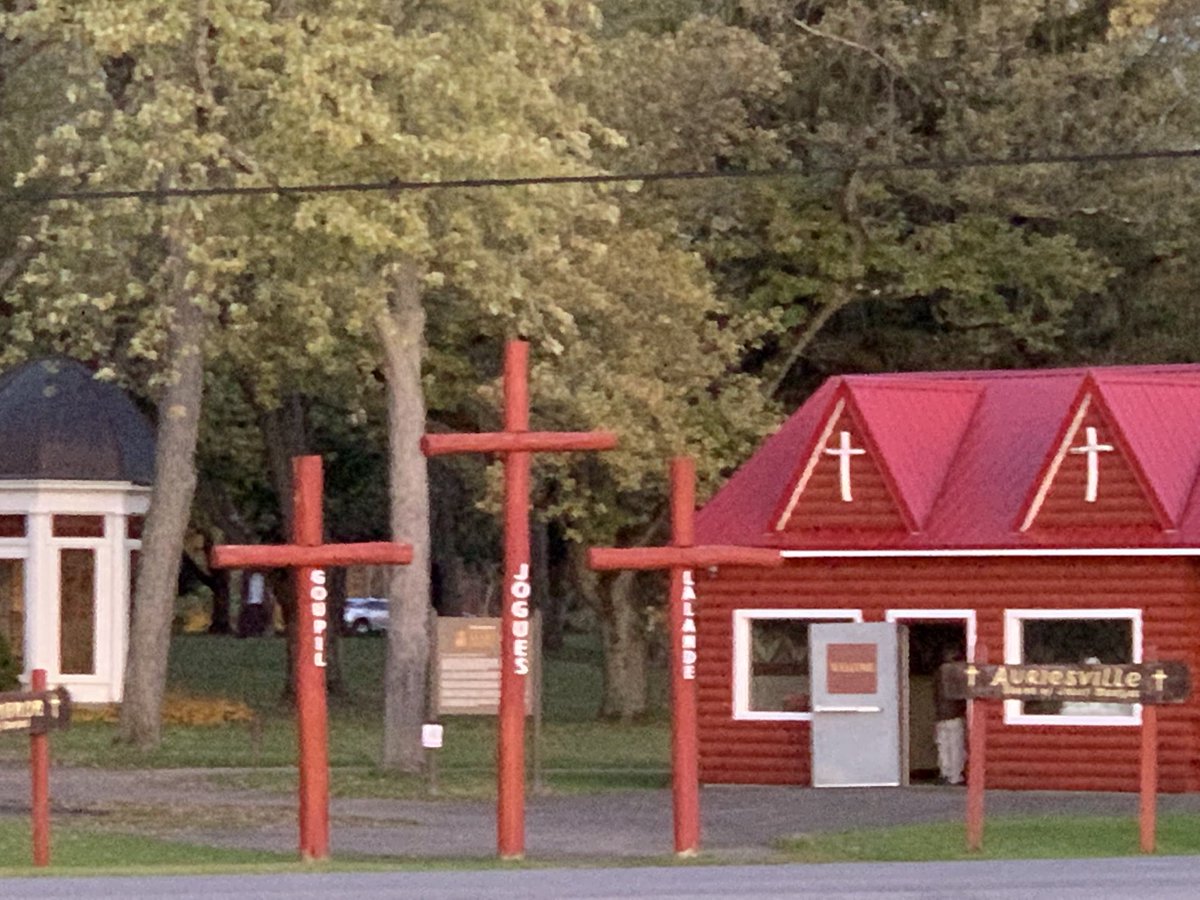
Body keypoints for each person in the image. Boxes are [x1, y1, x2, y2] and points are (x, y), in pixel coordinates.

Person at [933, 647, 967, 785]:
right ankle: (955, 776)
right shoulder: (957, 671)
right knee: (956, 747)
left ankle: (945, 773)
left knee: (943, 746)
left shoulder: (938, 672)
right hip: (954, 715)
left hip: (940, 716)